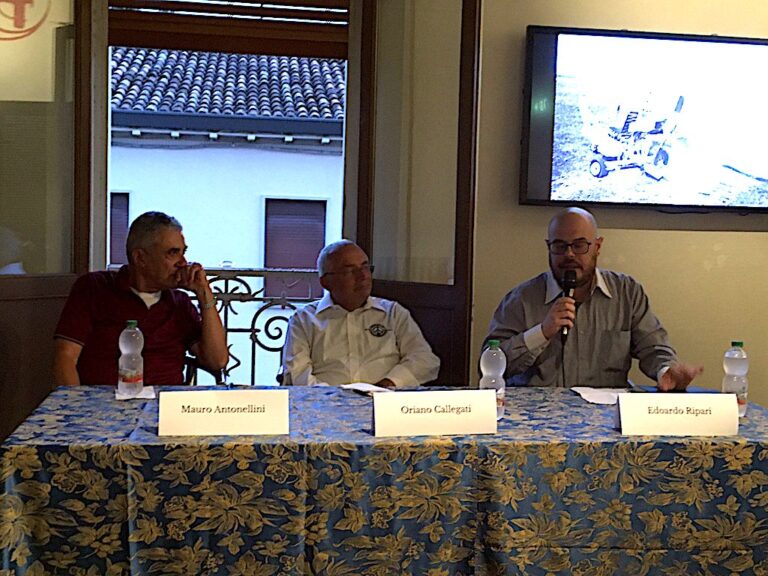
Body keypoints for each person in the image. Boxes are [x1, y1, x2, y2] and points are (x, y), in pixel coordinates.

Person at [484, 207, 702, 391]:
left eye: (579, 245)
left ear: (597, 247)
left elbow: (654, 348)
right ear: (548, 248)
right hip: (538, 423)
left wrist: (666, 372)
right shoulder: (522, 299)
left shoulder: (627, 293)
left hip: (605, 422)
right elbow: (490, 363)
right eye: (560, 246)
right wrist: (542, 332)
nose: (569, 255)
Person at [53, 211, 228, 386]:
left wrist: (204, 293)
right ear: (140, 258)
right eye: (173, 253)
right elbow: (65, 356)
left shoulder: (179, 302)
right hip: (105, 404)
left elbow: (217, 361)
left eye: (183, 252)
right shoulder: (94, 288)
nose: (183, 262)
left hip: (165, 405)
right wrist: (75, 406)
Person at [282, 240, 440, 389]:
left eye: (365, 267)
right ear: (326, 282)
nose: (363, 276)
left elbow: (425, 360)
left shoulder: (393, 313)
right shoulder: (304, 320)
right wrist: (336, 400)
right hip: (325, 408)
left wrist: (388, 384)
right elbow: (297, 374)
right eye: (350, 271)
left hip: (386, 404)